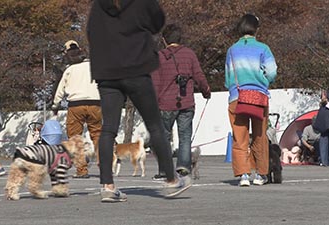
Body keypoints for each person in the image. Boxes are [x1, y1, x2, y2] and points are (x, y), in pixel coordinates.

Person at [87, 0, 192, 202]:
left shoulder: (99, 4)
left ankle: (107, 186)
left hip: (106, 71)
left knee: (108, 128)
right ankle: (171, 180)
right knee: (155, 125)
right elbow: (158, 22)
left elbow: (91, 33)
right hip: (136, 67)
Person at [151, 23, 211, 179]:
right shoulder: (189, 54)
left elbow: (154, 82)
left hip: (164, 104)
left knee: (163, 137)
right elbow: (199, 75)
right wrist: (206, 91)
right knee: (185, 136)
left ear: (164, 40)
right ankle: (183, 166)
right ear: (181, 39)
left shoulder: (159, 57)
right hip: (186, 102)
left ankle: (164, 169)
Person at [224, 14, 277, 186]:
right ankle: (260, 174)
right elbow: (272, 72)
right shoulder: (263, 48)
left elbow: (227, 77)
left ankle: (243, 175)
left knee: (240, 137)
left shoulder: (232, 50)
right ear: (256, 29)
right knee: (260, 136)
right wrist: (263, 81)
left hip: (237, 97)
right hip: (259, 97)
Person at [52, 44, 102, 178]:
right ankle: (104, 166)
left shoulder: (70, 69)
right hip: (96, 104)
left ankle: (81, 170)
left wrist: (55, 105)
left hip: (76, 105)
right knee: (98, 135)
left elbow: (60, 89)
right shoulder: (94, 66)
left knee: (75, 138)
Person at [315, 66, 329, 166]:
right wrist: (323, 101)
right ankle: (324, 162)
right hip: (324, 120)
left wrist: (326, 103)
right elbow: (322, 102)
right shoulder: (326, 91)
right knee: (323, 140)